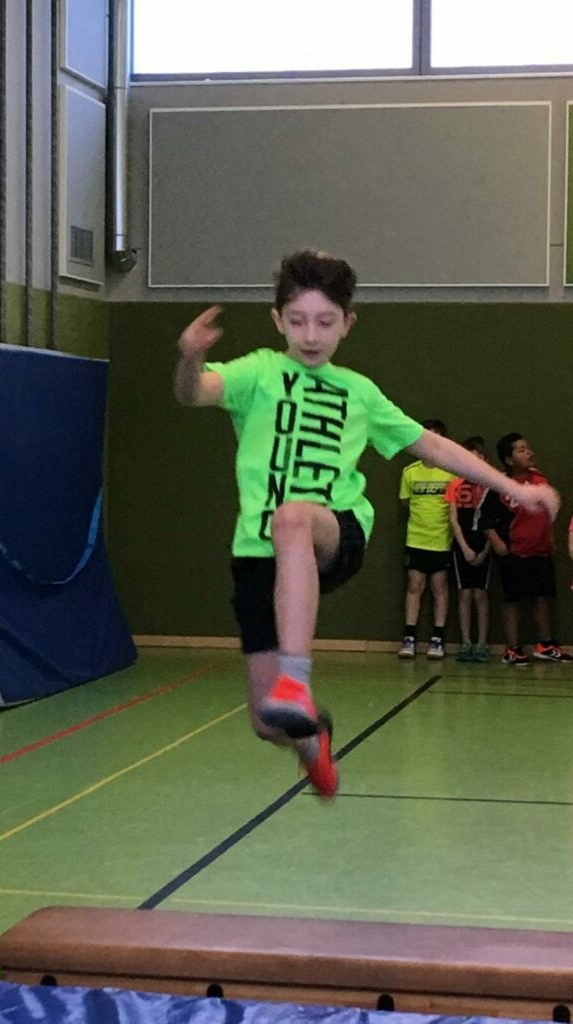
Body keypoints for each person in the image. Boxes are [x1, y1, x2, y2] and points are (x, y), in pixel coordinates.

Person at [174, 250, 560, 800]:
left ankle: (297, 680)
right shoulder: (258, 372)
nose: (312, 335)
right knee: (266, 722)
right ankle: (311, 738)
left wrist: (514, 488)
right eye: (298, 321)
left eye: (325, 321)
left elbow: (433, 447)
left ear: (348, 323)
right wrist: (190, 357)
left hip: (337, 533)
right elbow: (193, 392)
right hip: (259, 555)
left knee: (292, 517)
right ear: (278, 320)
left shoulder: (359, 392)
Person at [481, 434, 569, 665]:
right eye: (521, 450)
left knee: (543, 597)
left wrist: (550, 538)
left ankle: (545, 645)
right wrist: (498, 543)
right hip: (513, 552)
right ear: (509, 460)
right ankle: (512, 649)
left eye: (528, 448)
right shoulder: (500, 485)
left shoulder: (540, 480)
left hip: (540, 551)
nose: (528, 453)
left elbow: (547, 513)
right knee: (513, 599)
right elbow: (485, 519)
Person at [398, 419, 455, 661]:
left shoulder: (450, 471)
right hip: (416, 539)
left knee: (440, 587)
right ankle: (409, 638)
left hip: (441, 540)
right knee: (415, 586)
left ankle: (437, 639)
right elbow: (405, 502)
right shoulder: (409, 472)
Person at [444, 437, 492, 662]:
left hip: (483, 546)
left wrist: (484, 551)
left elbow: (493, 521)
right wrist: (464, 548)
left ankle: (482, 643)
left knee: (480, 594)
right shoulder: (455, 484)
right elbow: (453, 520)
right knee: (464, 593)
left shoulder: (489, 487)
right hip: (462, 546)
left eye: (477, 457)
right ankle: (466, 642)